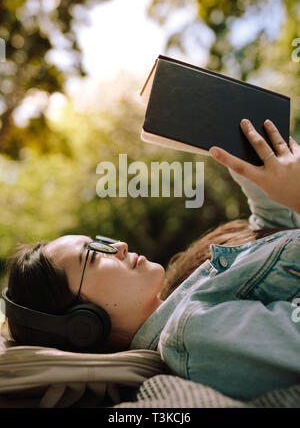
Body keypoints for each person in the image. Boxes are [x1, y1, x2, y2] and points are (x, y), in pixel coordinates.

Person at [4, 119, 300, 400]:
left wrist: (250, 170)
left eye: (101, 242)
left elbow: (273, 241)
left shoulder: (190, 293)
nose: (118, 245)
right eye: (92, 258)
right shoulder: (192, 333)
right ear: (84, 323)